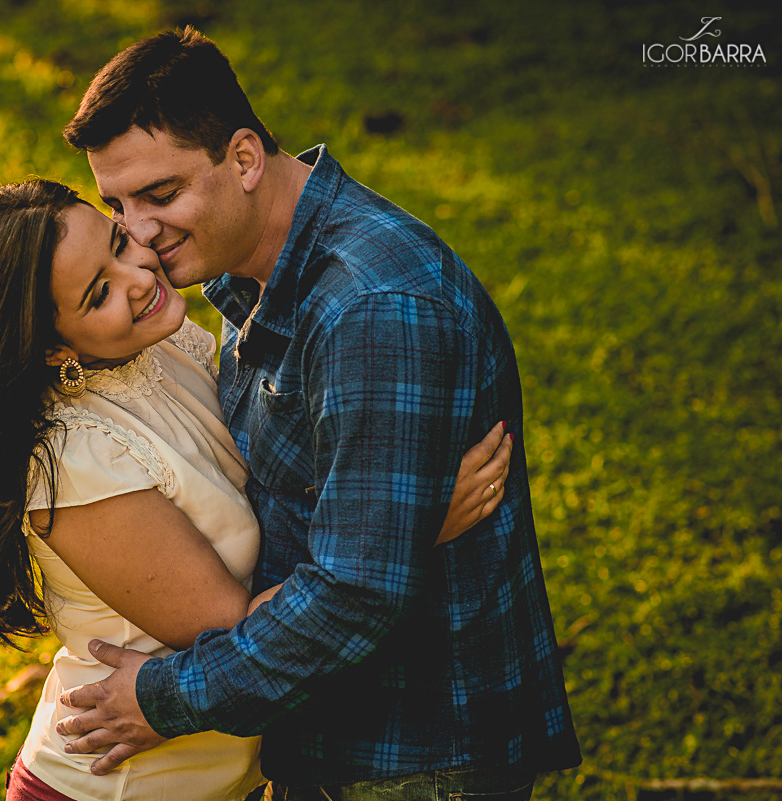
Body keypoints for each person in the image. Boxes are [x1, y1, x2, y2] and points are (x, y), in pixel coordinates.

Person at [52, 27, 582, 800]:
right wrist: (411, 527)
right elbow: (298, 507)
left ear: (243, 158)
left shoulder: (373, 309)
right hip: (331, 732)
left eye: (160, 195)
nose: (136, 232)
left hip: (414, 751)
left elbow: (355, 593)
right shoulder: (247, 273)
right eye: (117, 204)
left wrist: (165, 697)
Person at [0, 179, 513, 801]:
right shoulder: (75, 460)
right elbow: (239, 635)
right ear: (54, 346)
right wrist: (405, 525)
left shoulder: (169, 345)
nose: (138, 275)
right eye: (99, 293)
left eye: (119, 242)